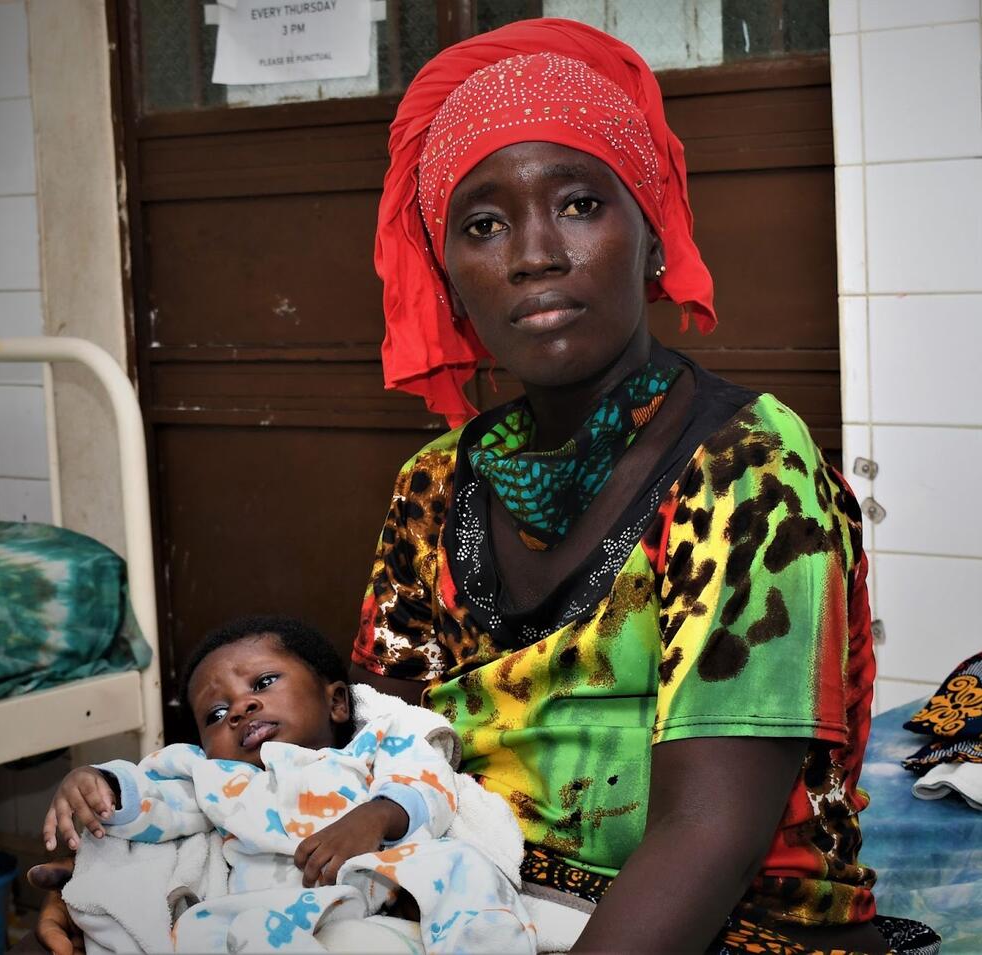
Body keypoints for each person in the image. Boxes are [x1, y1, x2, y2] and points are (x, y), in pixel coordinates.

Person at [349, 17, 940, 955]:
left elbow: (707, 836)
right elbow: (371, 751)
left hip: (728, 928)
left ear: (652, 236)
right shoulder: (432, 486)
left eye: (579, 204)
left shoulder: (747, 468)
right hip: (464, 901)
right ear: (450, 277)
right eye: (485, 224)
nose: (534, 253)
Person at [42, 615, 534, 954]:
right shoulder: (213, 776)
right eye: (216, 714)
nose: (239, 708)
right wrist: (98, 785)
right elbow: (154, 800)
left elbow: (427, 781)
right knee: (207, 929)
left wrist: (376, 815)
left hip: (381, 897)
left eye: (262, 684)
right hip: (276, 918)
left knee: (461, 865)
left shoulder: (372, 746)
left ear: (337, 703)